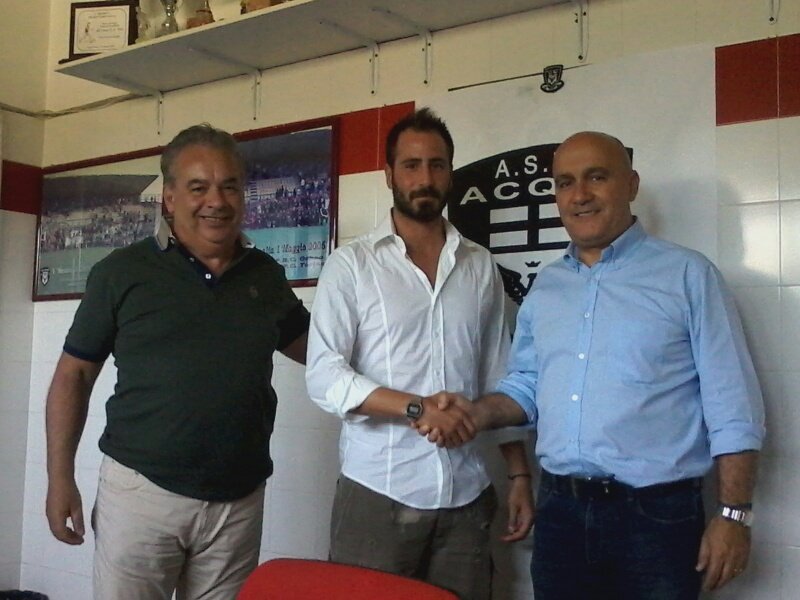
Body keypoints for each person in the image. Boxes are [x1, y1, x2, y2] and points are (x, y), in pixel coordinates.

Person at [422, 131, 766, 599]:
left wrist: (734, 515)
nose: (579, 195)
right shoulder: (547, 287)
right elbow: (526, 386)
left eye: (596, 177)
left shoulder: (688, 276)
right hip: (560, 513)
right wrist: (474, 412)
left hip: (658, 520)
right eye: (565, 183)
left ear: (631, 184)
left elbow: (733, 404)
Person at [45, 124, 309, 599]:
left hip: (238, 503)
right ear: (169, 198)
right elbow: (73, 375)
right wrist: (60, 479)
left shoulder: (265, 276)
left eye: (230, 186)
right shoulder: (121, 273)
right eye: (198, 187)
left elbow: (318, 349)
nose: (217, 201)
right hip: (142, 496)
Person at [305, 108, 534, 600]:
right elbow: (324, 375)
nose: (424, 178)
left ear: (450, 173)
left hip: (466, 494)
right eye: (411, 165)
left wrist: (518, 472)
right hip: (378, 491)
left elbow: (500, 374)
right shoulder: (352, 265)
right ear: (389, 174)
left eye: (436, 165)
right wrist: (418, 408)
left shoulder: (478, 265)